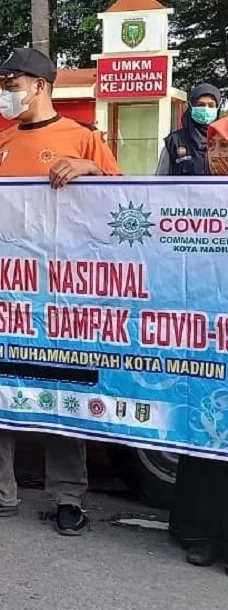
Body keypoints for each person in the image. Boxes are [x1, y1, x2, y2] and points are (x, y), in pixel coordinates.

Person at [0, 48, 122, 536]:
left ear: (40, 86)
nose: (5, 94)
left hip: (63, 293)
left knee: (61, 384)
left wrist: (91, 169)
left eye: (11, 85)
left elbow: (124, 203)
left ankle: (68, 496)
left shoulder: (83, 139)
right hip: (4, 290)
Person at [168, 115, 228, 572]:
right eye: (215, 147)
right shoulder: (195, 198)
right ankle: (205, 534)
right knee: (209, 436)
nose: (218, 154)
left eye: (226, 146)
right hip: (209, 341)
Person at [157, 83, 221, 176]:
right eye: (201, 105)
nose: (205, 109)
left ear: (217, 108)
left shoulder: (224, 139)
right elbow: (159, 179)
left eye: (211, 105)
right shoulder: (174, 141)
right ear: (191, 107)